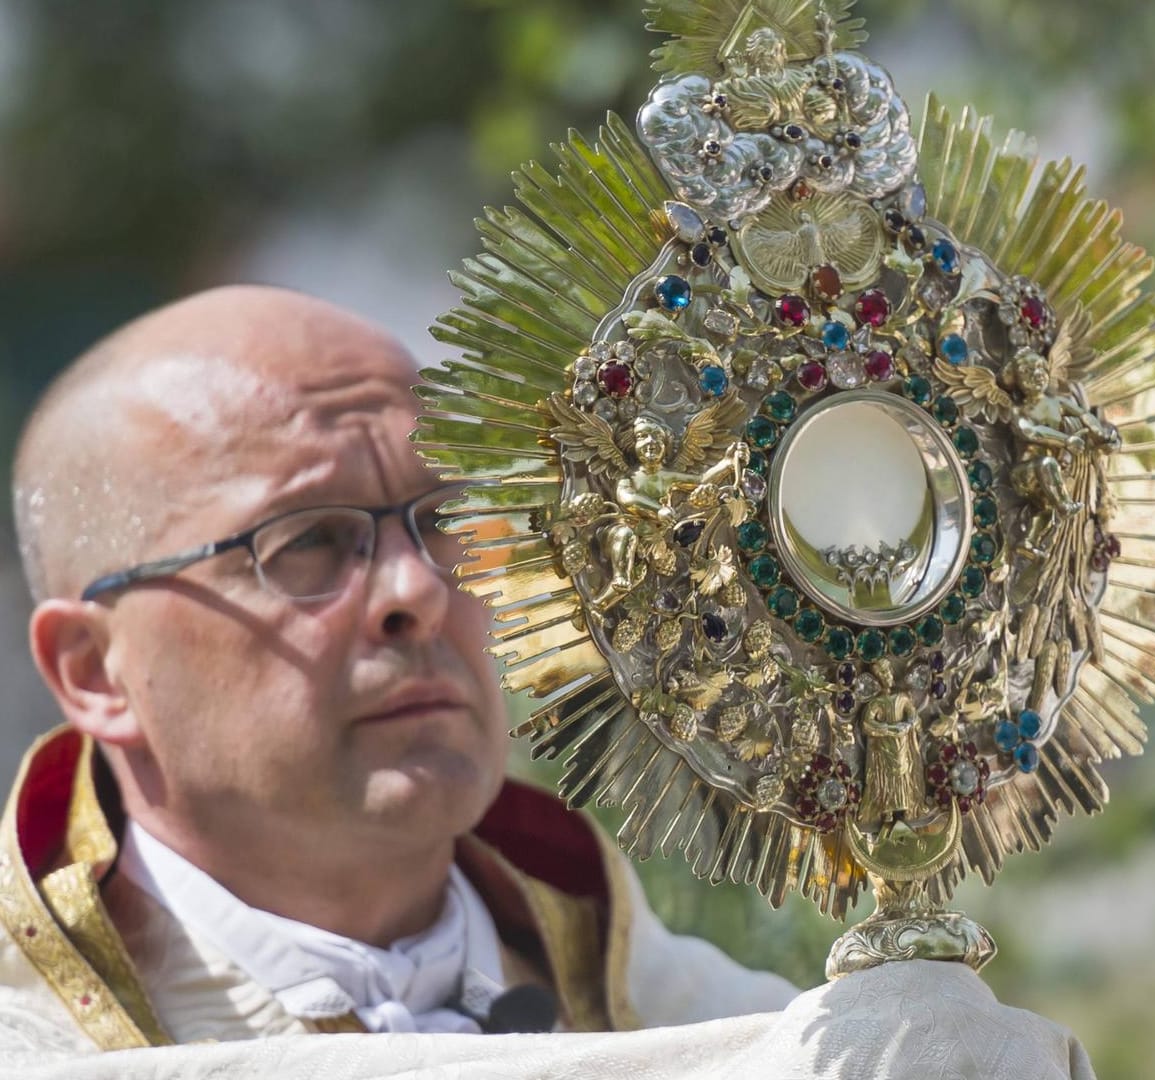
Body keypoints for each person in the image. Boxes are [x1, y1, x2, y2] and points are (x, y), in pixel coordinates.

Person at [0, 285, 1092, 1077]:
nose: (414, 593)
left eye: (442, 524)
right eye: (307, 543)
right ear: (97, 671)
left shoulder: (725, 1027)